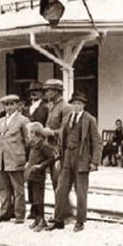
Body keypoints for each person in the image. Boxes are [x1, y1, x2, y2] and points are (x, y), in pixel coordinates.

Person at [45, 92, 102, 233]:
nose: (76, 106)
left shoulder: (90, 120)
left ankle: (80, 221)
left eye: (79, 104)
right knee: (61, 190)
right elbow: (60, 141)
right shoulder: (67, 119)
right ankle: (58, 220)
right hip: (66, 158)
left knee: (81, 192)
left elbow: (97, 142)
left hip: (82, 159)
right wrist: (58, 157)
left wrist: (94, 162)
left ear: (83, 105)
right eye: (74, 103)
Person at [0, 94, 30, 224]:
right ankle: (4, 212)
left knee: (18, 188)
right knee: (3, 188)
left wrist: (25, 158)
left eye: (11, 104)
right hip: (1, 159)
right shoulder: (1, 121)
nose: (9, 107)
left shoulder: (23, 120)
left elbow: (28, 141)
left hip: (15, 159)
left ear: (17, 105)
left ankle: (19, 215)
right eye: (6, 105)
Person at [25, 122, 55, 231]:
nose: (30, 135)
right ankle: (37, 219)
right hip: (31, 175)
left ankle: (42, 220)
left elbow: (51, 158)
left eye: (32, 133)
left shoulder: (43, 146)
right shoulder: (33, 145)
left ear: (38, 134)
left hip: (38, 176)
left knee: (38, 199)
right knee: (32, 198)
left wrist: (41, 166)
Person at [43, 79, 71, 191]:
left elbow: (67, 131)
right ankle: (61, 207)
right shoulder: (52, 107)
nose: (46, 94)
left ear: (56, 92)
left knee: (59, 182)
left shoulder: (65, 108)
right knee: (55, 182)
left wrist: (52, 132)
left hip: (60, 151)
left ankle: (62, 208)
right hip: (51, 149)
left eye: (48, 90)